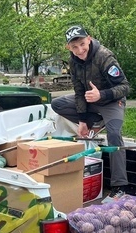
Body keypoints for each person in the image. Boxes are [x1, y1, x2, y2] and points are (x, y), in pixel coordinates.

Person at [51, 25, 130, 203]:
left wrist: (101, 94)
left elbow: (125, 87)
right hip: (90, 101)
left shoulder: (104, 56)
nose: (80, 50)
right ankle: (95, 120)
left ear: (89, 38)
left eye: (82, 44)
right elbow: (79, 93)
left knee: (114, 134)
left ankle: (119, 187)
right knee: (57, 103)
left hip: (111, 101)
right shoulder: (73, 61)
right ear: (68, 48)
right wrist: (82, 121)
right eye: (74, 47)